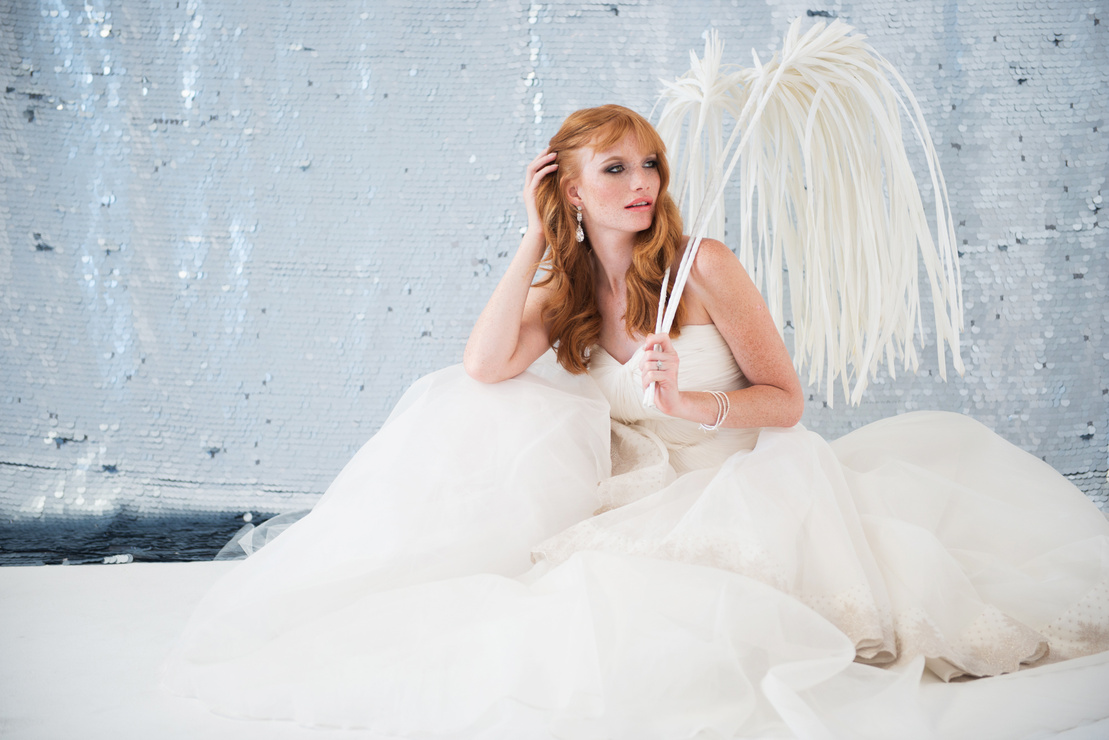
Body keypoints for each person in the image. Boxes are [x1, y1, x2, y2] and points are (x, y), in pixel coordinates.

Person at [163, 105, 1109, 739]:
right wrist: (535, 234)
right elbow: (483, 365)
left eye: (648, 163)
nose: (640, 181)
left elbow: (786, 401)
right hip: (635, 482)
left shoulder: (705, 266)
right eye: (612, 168)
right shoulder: (568, 283)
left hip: (742, 477)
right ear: (572, 189)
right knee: (466, 407)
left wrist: (689, 400)